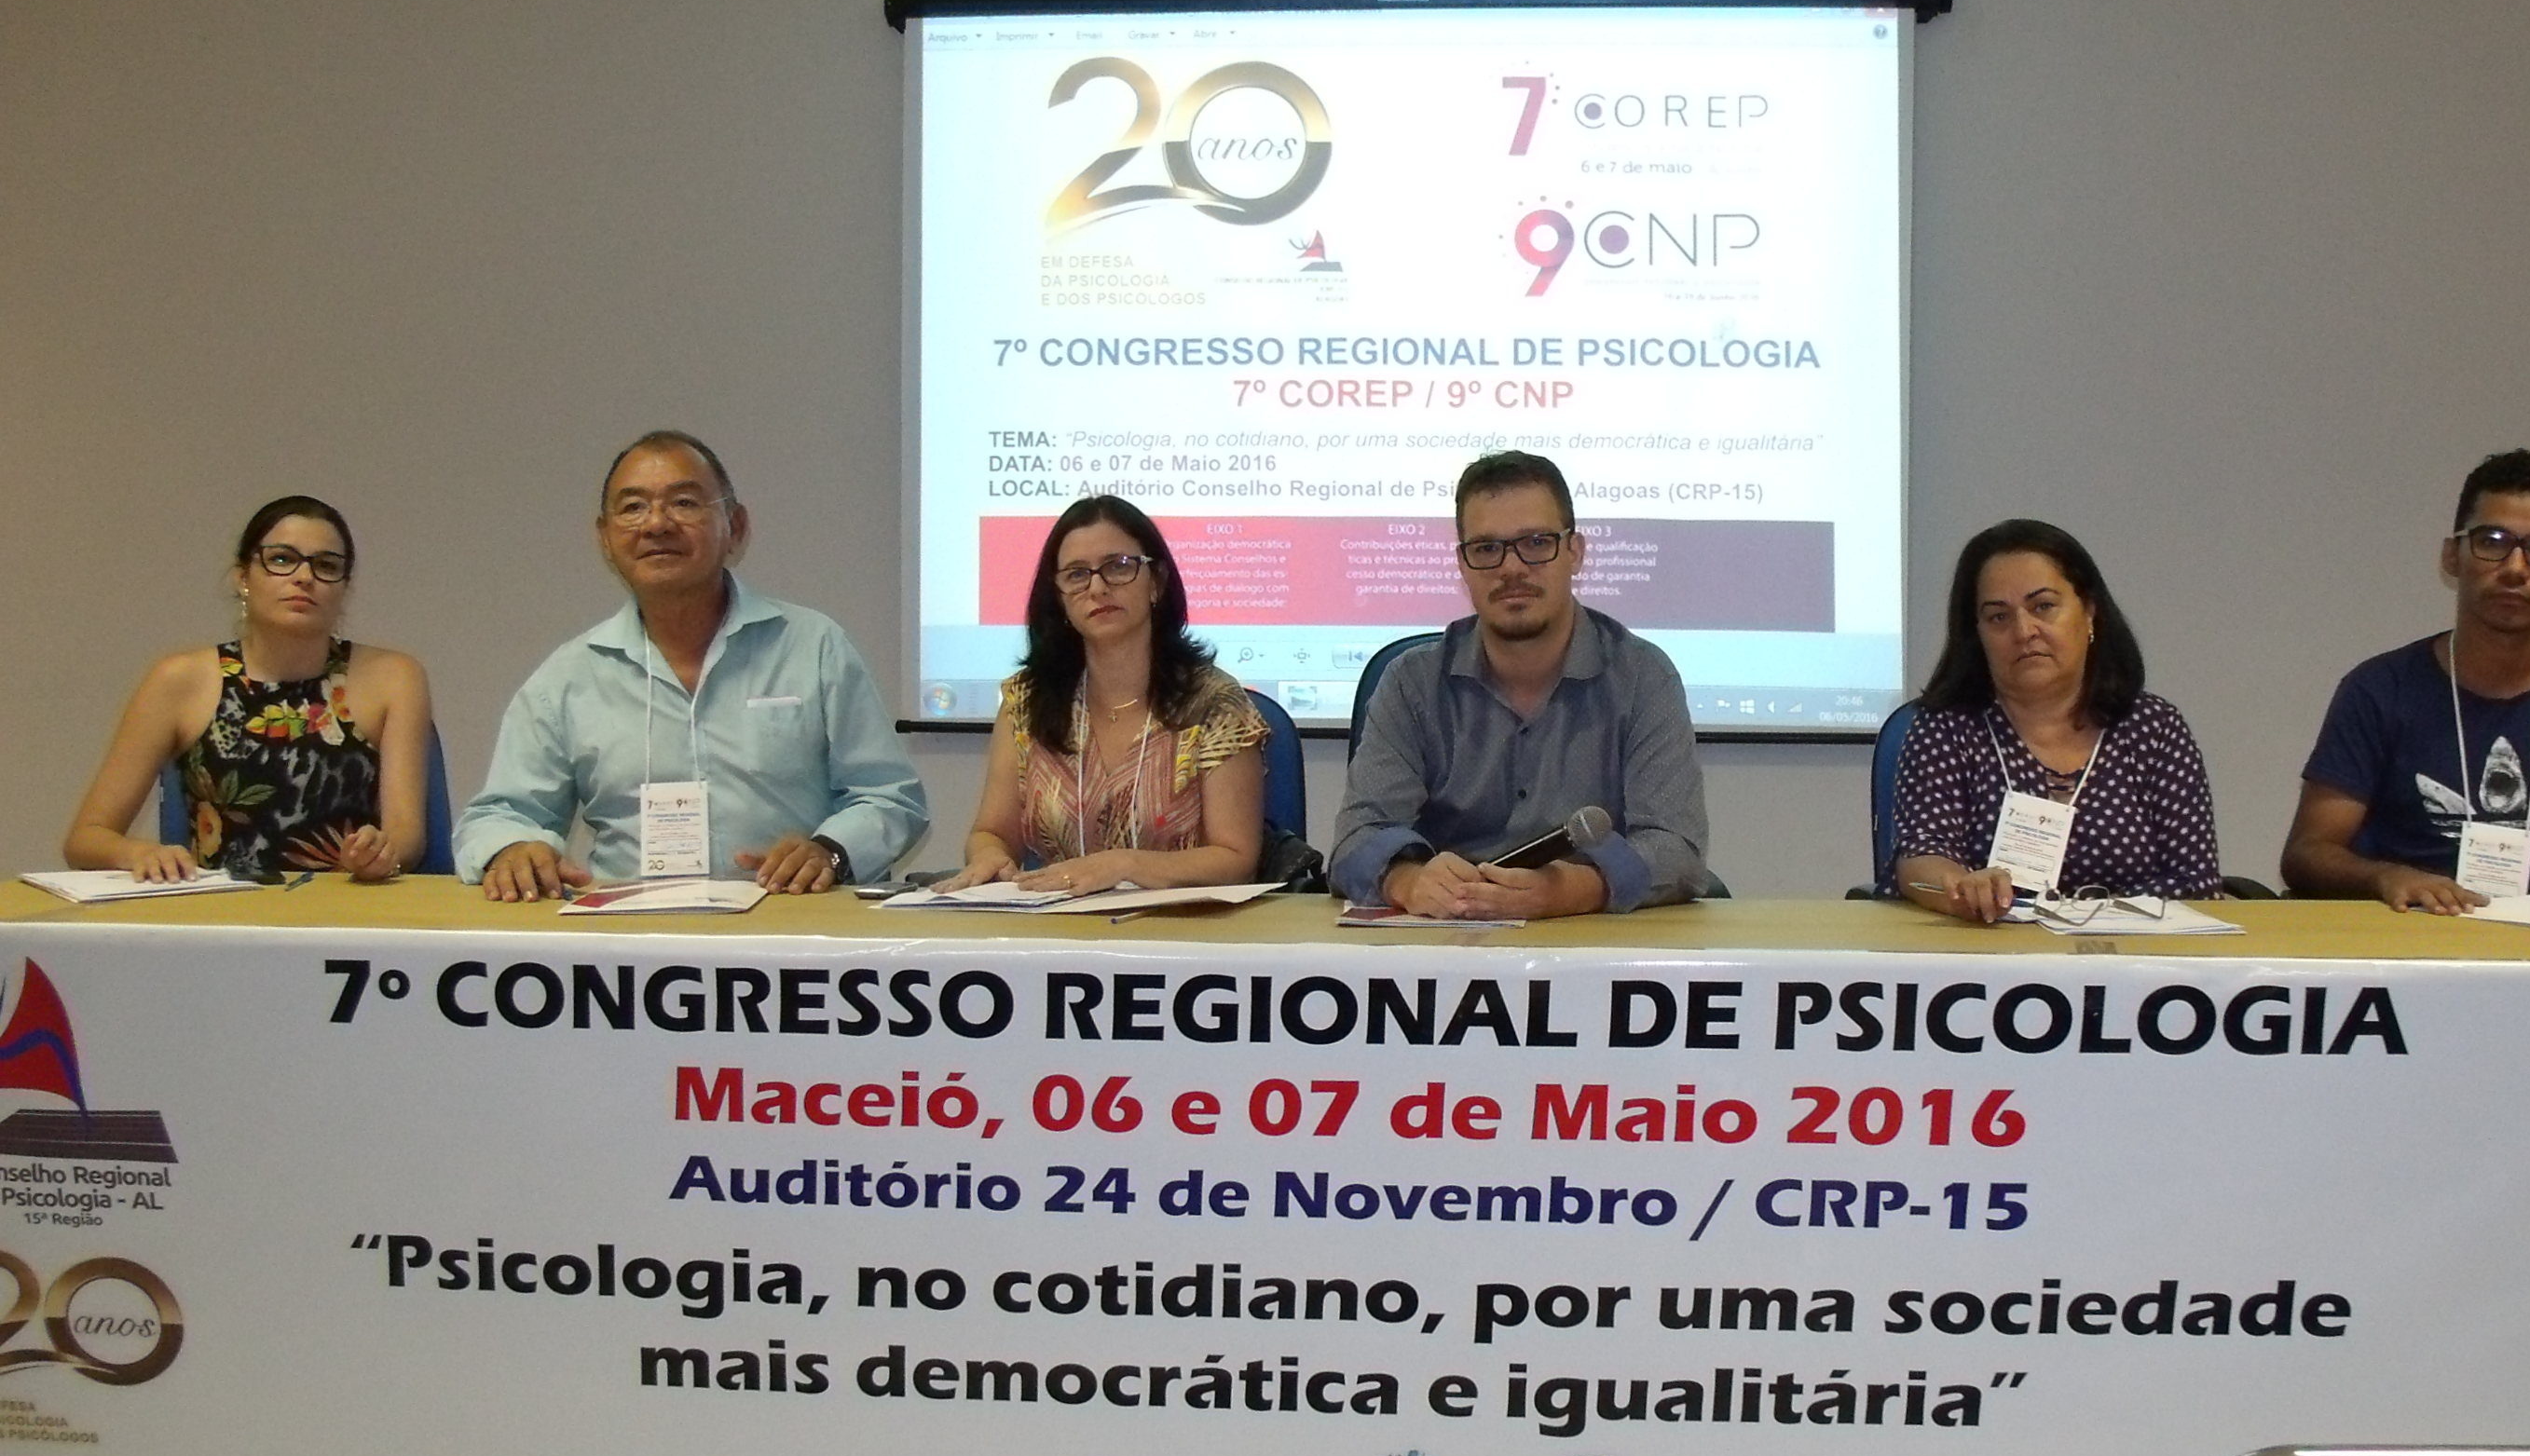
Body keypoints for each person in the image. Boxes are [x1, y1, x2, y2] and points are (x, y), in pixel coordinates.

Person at [457, 431, 928, 899]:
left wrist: (830, 852)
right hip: (629, 927)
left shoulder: (813, 647)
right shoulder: (569, 677)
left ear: (735, 527)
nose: (656, 524)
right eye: (633, 507)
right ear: (605, 538)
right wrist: (511, 849)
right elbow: (498, 815)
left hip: (789, 920)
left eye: (684, 503)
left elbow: (891, 797)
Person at [2281, 448, 2530, 912]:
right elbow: (2307, 853)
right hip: (2417, 933)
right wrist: (2385, 877)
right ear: (2452, 556)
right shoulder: (2379, 688)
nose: (2515, 568)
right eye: (2493, 541)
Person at [1330, 450, 1707, 917]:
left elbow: (1677, 850)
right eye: (1487, 549)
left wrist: (1568, 891)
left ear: (1575, 552)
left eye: (1536, 542)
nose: (1511, 568)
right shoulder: (1412, 683)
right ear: (1463, 564)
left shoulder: (1642, 677)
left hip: (1588, 940)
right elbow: (1355, 840)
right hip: (1446, 939)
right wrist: (1407, 882)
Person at [65, 496, 432, 882]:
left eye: (326, 566)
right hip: (220, 907)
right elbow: (85, 838)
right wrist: (139, 852)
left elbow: (407, 836)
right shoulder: (179, 679)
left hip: (347, 904)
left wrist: (382, 853)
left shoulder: (394, 677)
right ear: (243, 577)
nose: (304, 577)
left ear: (344, 587)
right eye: (281, 559)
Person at [1888, 520, 2220, 919]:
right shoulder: (1946, 729)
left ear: (2090, 612)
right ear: (1977, 635)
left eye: (2043, 607)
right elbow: (1921, 855)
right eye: (1998, 617)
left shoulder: (2153, 728)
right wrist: (1962, 887)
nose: (2024, 630)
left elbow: (2194, 879)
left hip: (2134, 948)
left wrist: (2089, 918)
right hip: (1992, 946)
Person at [940, 495, 1268, 892]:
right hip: (1056, 922)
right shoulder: (1027, 702)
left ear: (1156, 582)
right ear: (1059, 598)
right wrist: (989, 855)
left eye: (1118, 566)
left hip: (1183, 923)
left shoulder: (1214, 703)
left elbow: (1236, 861)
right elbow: (991, 832)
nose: (1097, 587)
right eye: (1077, 575)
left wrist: (1123, 865)